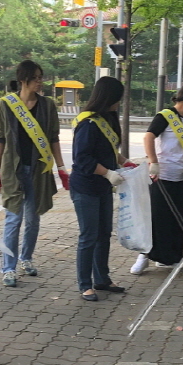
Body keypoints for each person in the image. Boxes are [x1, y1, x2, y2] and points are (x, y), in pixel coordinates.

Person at [0, 60, 68, 288]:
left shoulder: (47, 105)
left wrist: (62, 167)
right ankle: (8, 268)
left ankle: (26, 258)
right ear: (23, 80)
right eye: (36, 78)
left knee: (33, 218)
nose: (40, 82)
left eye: (40, 77)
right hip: (13, 171)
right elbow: (0, 138)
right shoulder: (6, 104)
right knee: (13, 219)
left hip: (39, 170)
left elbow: (53, 137)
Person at [129, 81, 183, 275]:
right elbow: (148, 137)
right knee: (157, 217)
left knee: (175, 218)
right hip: (161, 175)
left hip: (180, 177)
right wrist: (153, 162)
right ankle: (144, 255)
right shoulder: (165, 116)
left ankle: (168, 257)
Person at [69, 76, 130, 301]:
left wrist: (123, 161)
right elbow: (82, 159)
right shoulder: (88, 123)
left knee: (104, 233)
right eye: (117, 99)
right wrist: (108, 172)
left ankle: (102, 278)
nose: (119, 103)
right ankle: (85, 284)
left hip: (104, 186)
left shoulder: (108, 119)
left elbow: (109, 151)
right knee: (89, 236)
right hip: (86, 186)